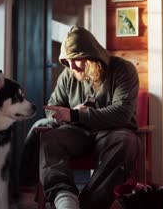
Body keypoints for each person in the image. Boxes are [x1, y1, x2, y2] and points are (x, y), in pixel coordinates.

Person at [22, 26, 140, 209]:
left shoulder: (123, 70)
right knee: (49, 139)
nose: (71, 67)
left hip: (113, 131)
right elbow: (52, 109)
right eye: (67, 62)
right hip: (77, 132)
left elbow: (122, 113)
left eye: (76, 60)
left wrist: (77, 114)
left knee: (125, 142)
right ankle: (65, 199)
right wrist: (67, 113)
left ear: (93, 55)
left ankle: (88, 205)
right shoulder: (68, 75)